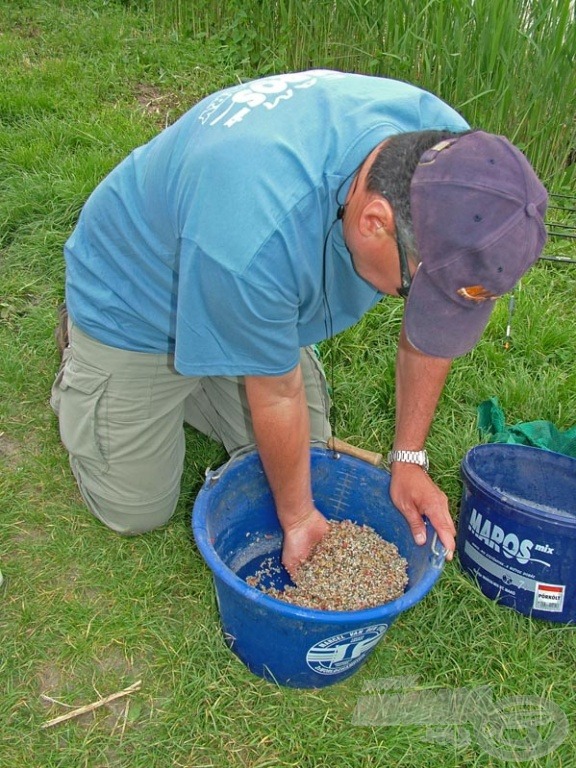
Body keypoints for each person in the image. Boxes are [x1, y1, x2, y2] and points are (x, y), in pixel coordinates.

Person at [51, 70, 548, 575]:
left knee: (302, 452)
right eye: (413, 292)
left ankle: (230, 344)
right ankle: (87, 355)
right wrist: (298, 517)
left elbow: (430, 336)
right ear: (374, 222)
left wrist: (409, 458)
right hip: (138, 300)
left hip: (239, 276)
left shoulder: (456, 169)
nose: (415, 306)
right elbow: (278, 394)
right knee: (137, 508)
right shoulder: (253, 231)